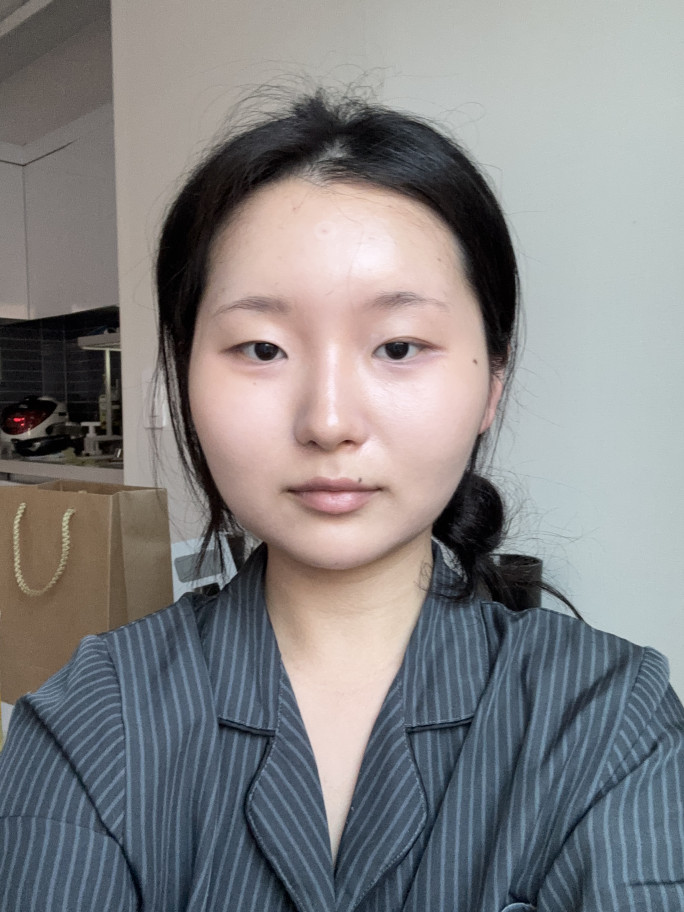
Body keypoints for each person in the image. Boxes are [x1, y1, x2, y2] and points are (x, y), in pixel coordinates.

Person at [0, 89, 683, 912]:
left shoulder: (608, 718)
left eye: (398, 346)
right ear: (185, 375)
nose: (328, 421)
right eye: (263, 348)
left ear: (492, 382)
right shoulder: (89, 721)